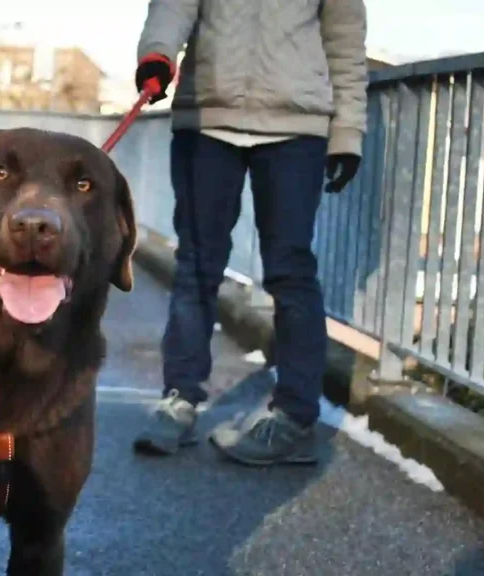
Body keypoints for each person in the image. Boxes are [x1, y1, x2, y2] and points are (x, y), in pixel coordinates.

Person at [131, 0, 368, 466]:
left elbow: (345, 47)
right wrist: (158, 55)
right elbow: (172, 8)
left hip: (296, 129)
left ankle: (296, 416)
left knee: (291, 271)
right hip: (208, 121)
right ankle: (179, 399)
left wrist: (347, 134)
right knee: (196, 264)